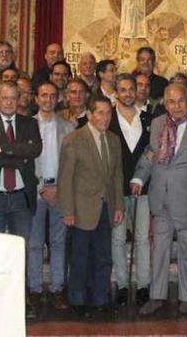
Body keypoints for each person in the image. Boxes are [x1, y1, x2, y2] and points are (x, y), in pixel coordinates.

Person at [131, 83, 187, 316]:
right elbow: (150, 154)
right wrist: (139, 178)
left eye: (181, 100)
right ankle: (156, 295)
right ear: (164, 102)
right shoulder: (158, 124)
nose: (176, 106)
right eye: (171, 101)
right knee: (158, 250)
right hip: (160, 198)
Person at [0, 81, 43, 318]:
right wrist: (17, 155)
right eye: (5, 98)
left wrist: (3, 149)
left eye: (14, 98)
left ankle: (20, 300)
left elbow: (35, 150)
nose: (10, 102)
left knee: (19, 252)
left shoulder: (29, 123)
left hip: (21, 198)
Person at [58, 95, 125, 315]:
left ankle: (101, 299)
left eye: (108, 113)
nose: (105, 117)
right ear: (89, 114)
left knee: (104, 257)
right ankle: (77, 302)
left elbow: (116, 176)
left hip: (106, 208)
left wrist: (118, 206)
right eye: (100, 112)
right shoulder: (73, 139)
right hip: (80, 210)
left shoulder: (114, 140)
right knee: (79, 258)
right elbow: (65, 179)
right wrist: (67, 211)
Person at [27, 82, 75, 310]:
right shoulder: (26, 125)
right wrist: (39, 188)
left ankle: (57, 288)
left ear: (59, 99)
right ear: (36, 98)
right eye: (43, 95)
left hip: (60, 192)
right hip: (36, 192)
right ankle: (34, 288)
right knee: (34, 243)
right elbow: (24, 163)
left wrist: (58, 189)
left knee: (58, 243)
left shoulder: (68, 127)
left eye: (52, 96)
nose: (48, 99)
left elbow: (72, 165)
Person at [109, 73, 153, 306]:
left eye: (131, 89)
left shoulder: (147, 118)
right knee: (117, 239)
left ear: (137, 91)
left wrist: (141, 178)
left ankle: (144, 284)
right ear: (116, 92)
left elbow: (153, 150)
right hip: (116, 187)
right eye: (123, 89)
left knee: (142, 238)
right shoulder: (108, 119)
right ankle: (123, 285)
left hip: (143, 187)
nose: (127, 93)